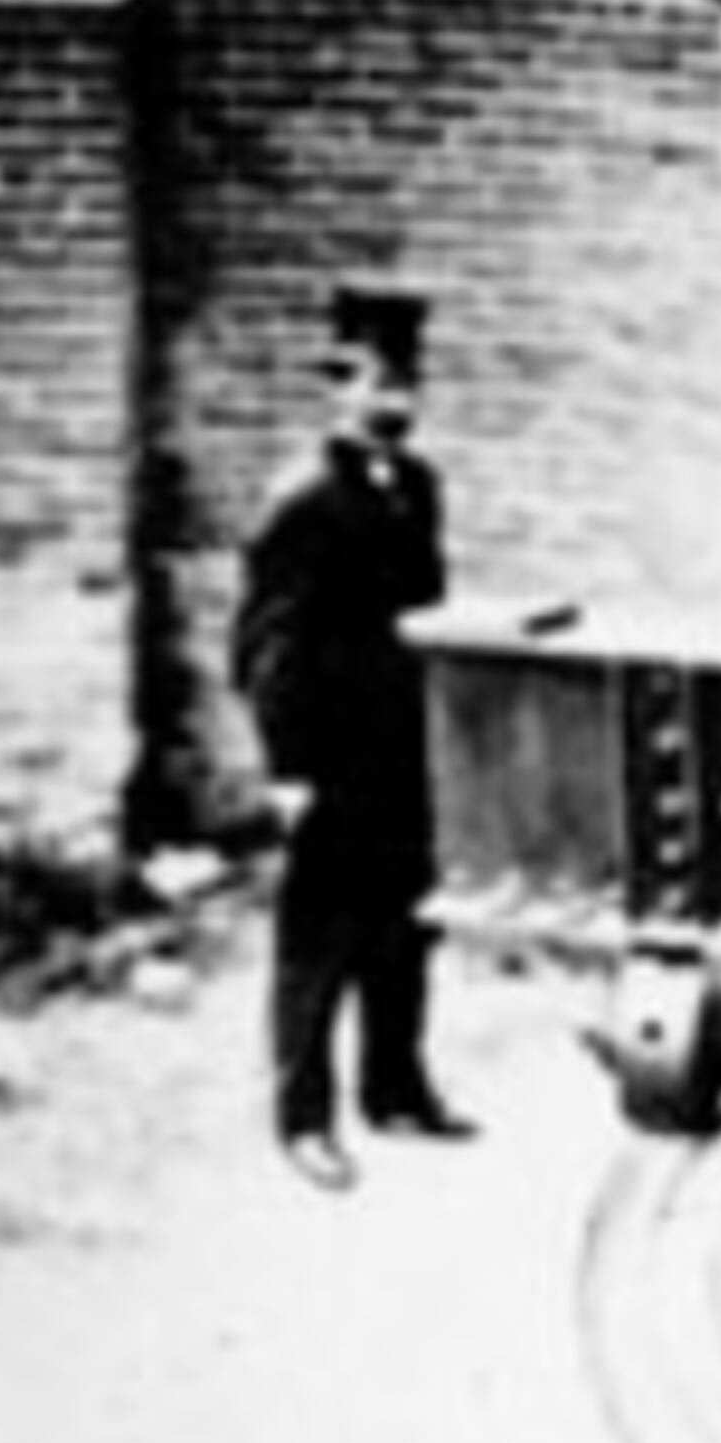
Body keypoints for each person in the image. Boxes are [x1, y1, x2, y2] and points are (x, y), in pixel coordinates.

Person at [234, 281, 472, 1189]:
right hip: (332, 758)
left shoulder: (416, 489)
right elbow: (266, 645)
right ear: (339, 387)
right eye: (377, 380)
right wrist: (289, 767)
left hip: (404, 751)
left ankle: (397, 1089)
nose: (396, 401)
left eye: (409, 381)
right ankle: (304, 1119)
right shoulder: (302, 502)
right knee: (318, 943)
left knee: (403, 929)